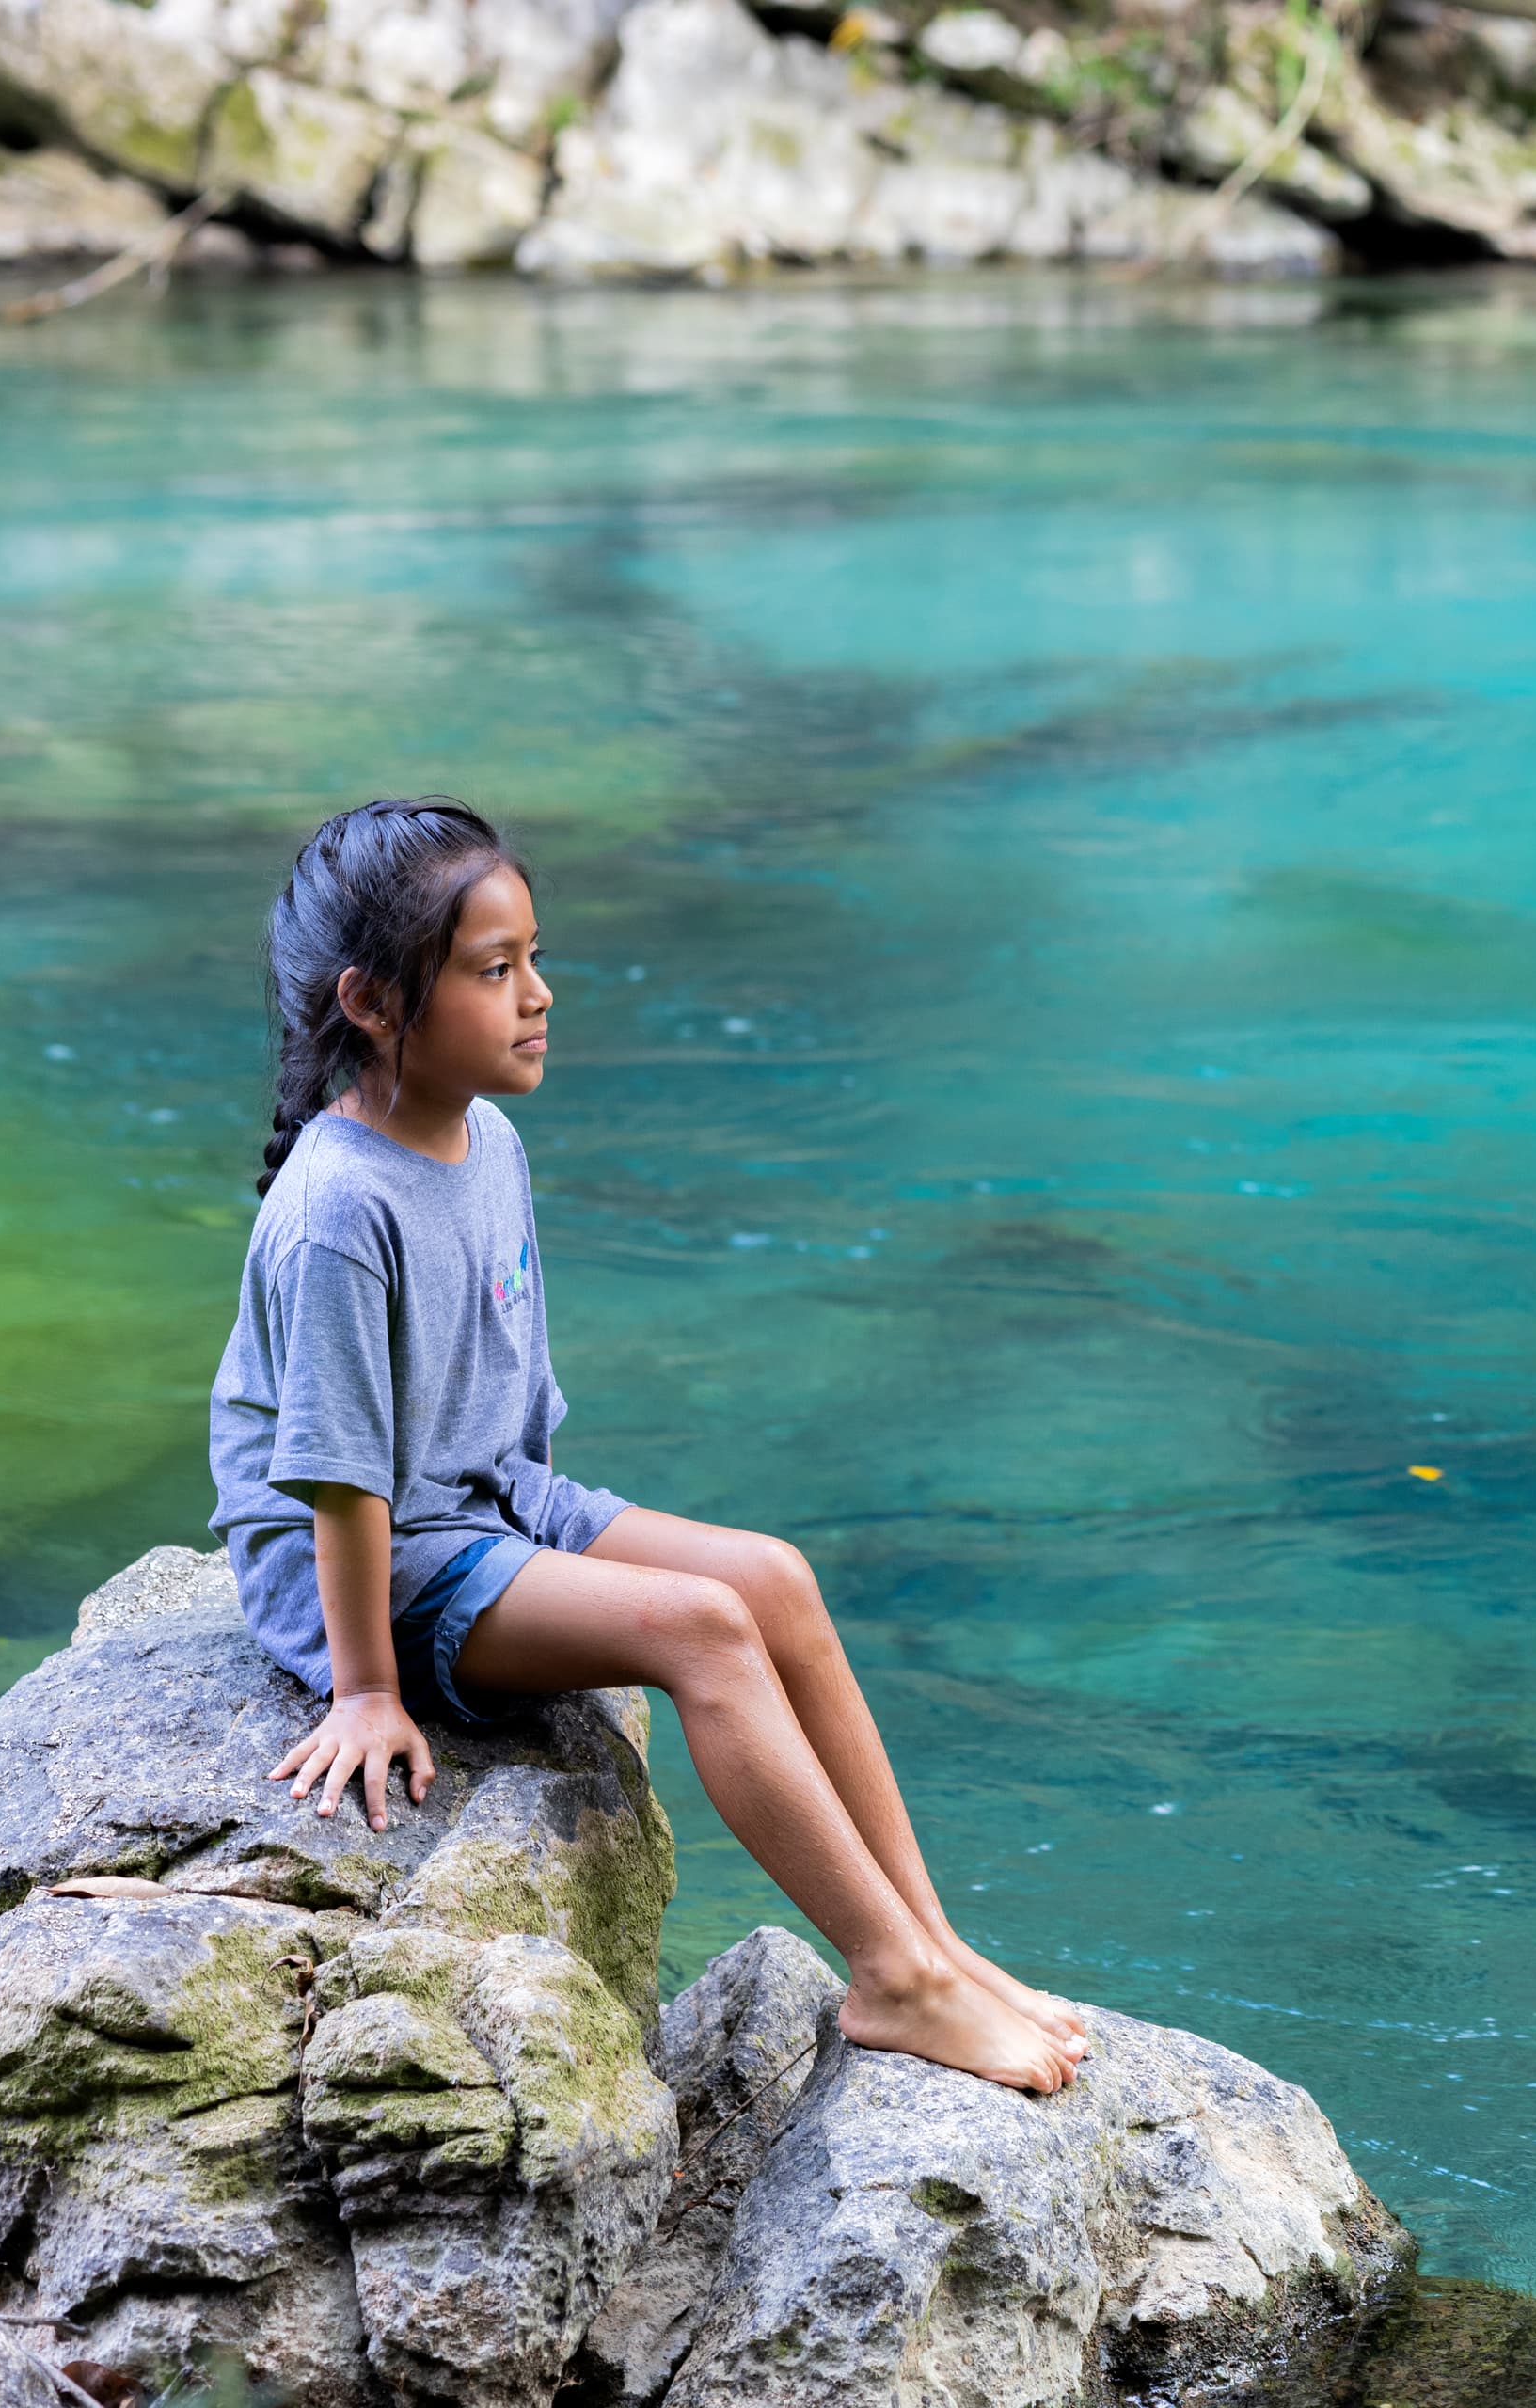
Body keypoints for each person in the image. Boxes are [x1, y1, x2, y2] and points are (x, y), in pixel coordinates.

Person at [207, 798, 1085, 2094]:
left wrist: (544, 1525)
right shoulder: (335, 1211)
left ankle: (931, 1945)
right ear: (376, 1004)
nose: (538, 995)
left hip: (482, 1501)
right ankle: (893, 1985)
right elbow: (339, 1486)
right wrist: (367, 1693)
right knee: (702, 1629)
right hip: (378, 1567)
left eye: (534, 958)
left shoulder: (488, 1140)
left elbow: (502, 1426)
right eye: (494, 970)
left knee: (773, 1578)